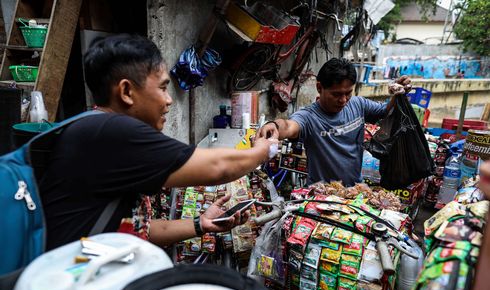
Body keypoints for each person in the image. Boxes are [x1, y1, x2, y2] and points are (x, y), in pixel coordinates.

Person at [39, 34, 277, 250]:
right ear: (126, 92)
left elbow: (142, 229)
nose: (169, 100)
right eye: (163, 87)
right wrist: (261, 150)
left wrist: (200, 224)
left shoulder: (100, 130)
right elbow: (219, 168)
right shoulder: (112, 132)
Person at [256, 58, 411, 186]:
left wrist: (398, 94)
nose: (343, 100)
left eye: (348, 93)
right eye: (336, 94)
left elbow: (385, 112)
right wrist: (274, 126)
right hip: (321, 195)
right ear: (319, 87)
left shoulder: (358, 104)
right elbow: (289, 126)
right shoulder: (309, 116)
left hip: (354, 191)